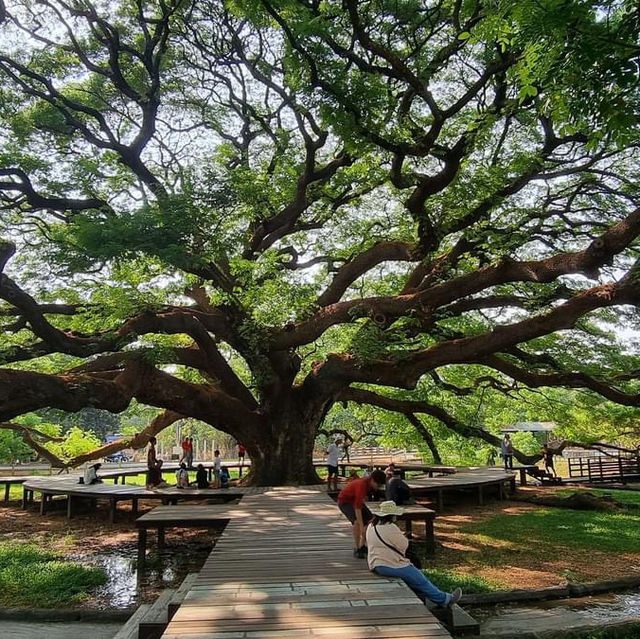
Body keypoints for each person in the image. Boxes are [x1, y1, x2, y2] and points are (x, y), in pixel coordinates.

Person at [366, 501, 462, 607]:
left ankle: (438, 597)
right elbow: (403, 545)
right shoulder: (390, 527)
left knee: (416, 577)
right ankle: (444, 599)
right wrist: (404, 537)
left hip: (375, 563)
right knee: (419, 579)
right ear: (391, 516)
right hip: (390, 564)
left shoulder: (371, 526)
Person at [337, 469, 386, 558]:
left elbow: (360, 504)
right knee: (356, 522)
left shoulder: (368, 483)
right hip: (345, 502)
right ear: (372, 480)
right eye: (378, 485)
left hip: (354, 501)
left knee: (371, 520)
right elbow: (357, 508)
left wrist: (364, 526)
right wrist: (361, 526)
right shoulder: (362, 485)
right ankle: (357, 548)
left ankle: (362, 545)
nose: (378, 487)